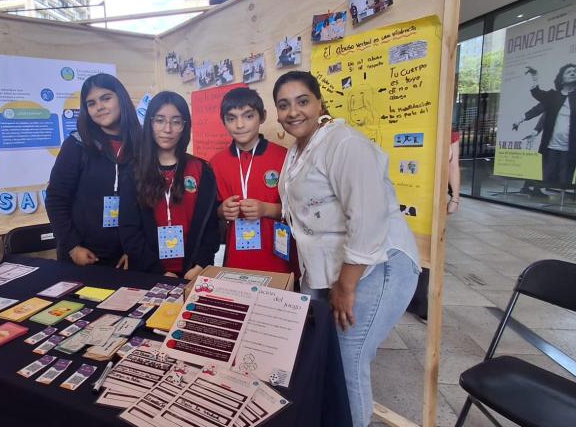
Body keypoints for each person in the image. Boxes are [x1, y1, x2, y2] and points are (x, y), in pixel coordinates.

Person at [274, 71, 419, 427]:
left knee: (348, 357)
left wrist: (346, 285)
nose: (294, 111)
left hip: (375, 265)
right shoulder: (296, 152)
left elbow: (367, 220)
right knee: (320, 354)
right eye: (284, 104)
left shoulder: (345, 143)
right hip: (328, 270)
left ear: (319, 103)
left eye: (302, 101)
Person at [119, 91, 220, 279]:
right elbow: (129, 230)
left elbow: (211, 226)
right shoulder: (132, 172)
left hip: (194, 273)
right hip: (148, 274)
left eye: (176, 121)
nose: (167, 129)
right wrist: (159, 272)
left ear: (184, 126)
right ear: (149, 123)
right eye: (159, 120)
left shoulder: (201, 169)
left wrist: (200, 264)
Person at [45, 73, 141, 268]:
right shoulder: (76, 145)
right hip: (81, 256)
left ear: (120, 98)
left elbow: (145, 206)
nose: (99, 107)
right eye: (91, 103)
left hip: (126, 257)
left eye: (106, 98)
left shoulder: (141, 146)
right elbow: (56, 199)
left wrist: (134, 249)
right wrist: (72, 246)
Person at [210, 88, 290, 273]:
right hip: (235, 261)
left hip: (278, 261)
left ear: (262, 116)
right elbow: (208, 214)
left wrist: (266, 209)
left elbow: (301, 211)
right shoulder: (215, 163)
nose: (240, 125)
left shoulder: (284, 157)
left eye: (248, 116)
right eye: (231, 118)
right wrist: (221, 211)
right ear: (224, 122)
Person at [513, 64, 576, 187]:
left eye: (575, 71)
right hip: (552, 145)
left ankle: (561, 197)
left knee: (565, 177)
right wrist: (535, 77)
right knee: (545, 173)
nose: (573, 73)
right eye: (568, 72)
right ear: (562, 79)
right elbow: (539, 105)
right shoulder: (553, 97)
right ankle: (534, 189)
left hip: (569, 147)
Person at [448, 130, 461, 214]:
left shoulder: (450, 132)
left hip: (438, 190)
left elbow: (453, 165)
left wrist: (455, 198)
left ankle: (455, 198)